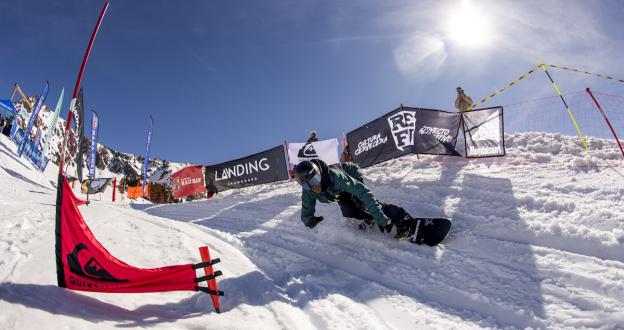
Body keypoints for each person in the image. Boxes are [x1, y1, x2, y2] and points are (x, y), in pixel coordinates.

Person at [293, 158, 418, 240]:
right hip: (338, 192)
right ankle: (369, 218)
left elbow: (363, 192)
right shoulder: (308, 192)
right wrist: (308, 220)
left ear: (319, 173)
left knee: (361, 202)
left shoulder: (335, 177)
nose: (314, 187)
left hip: (351, 175)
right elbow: (306, 212)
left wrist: (378, 215)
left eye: (314, 180)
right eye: (307, 185)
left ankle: (404, 219)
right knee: (349, 212)